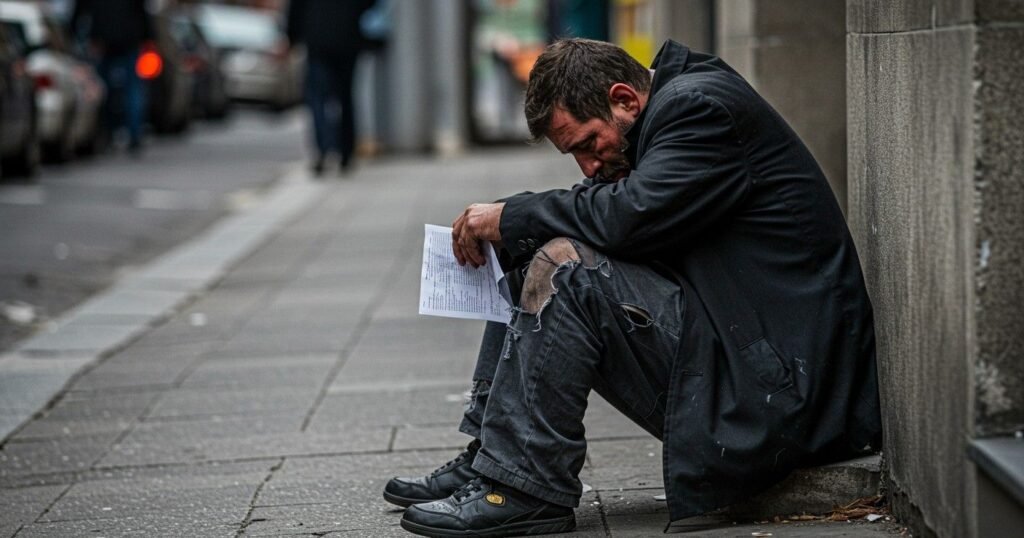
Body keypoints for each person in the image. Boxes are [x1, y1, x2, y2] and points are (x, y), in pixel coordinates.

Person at [385, 39, 883, 537]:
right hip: (744, 353)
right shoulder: (660, 115)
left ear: (624, 99)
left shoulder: (699, 110)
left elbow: (629, 215)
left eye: (587, 143)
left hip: (786, 391)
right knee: (527, 249)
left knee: (564, 266)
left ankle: (523, 486)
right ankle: (492, 455)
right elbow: (610, 209)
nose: (587, 165)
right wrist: (510, 224)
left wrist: (513, 215)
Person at [286, 0, 375, 176]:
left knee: (318, 98)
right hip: (347, 37)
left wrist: (292, 37)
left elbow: (296, 7)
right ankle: (345, 152)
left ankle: (324, 148)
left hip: (318, 39)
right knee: (345, 97)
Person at [70, 0, 152, 153]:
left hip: (103, 37)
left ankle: (108, 132)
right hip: (128, 38)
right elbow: (141, 10)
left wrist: (73, 33)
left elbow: (80, 9)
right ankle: (133, 134)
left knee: (105, 88)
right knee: (132, 89)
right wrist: (148, 37)